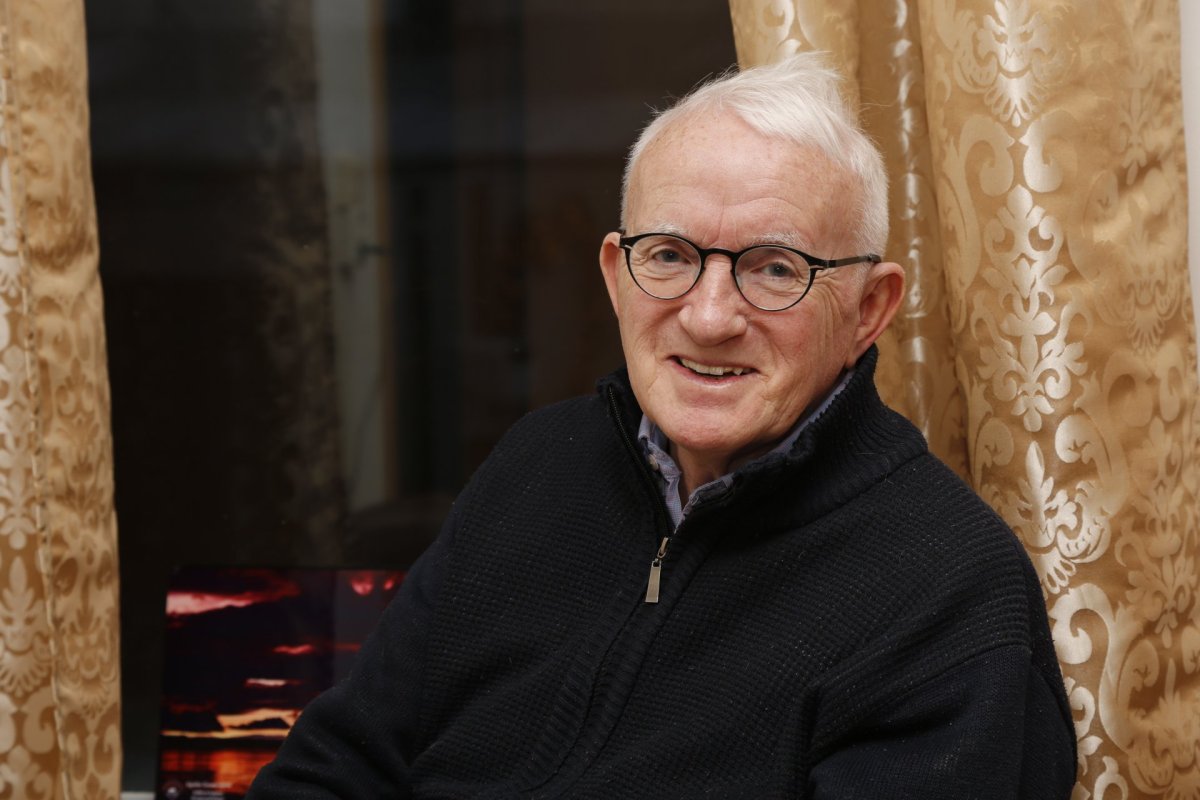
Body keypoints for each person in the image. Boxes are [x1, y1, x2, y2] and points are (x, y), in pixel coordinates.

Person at [249, 53, 1077, 799]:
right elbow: (336, 765)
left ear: (869, 309)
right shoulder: (536, 464)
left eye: (775, 268)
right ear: (618, 276)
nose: (709, 318)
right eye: (671, 256)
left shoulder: (950, 587)